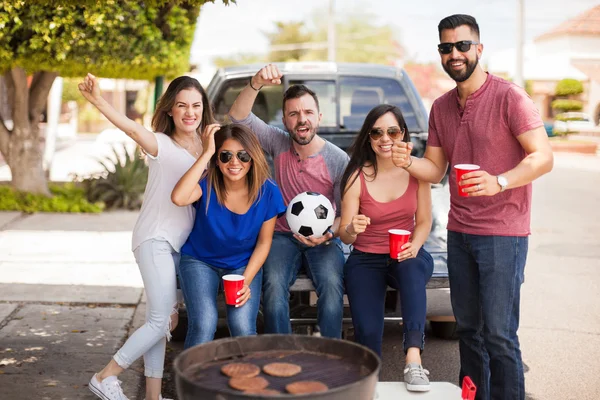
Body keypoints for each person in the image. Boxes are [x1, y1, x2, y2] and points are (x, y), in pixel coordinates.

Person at [391, 14, 554, 400]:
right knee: (468, 330)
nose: (455, 54)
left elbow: (543, 157)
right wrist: (405, 161)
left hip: (503, 234)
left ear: (478, 49)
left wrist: (499, 180)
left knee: (498, 334)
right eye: (446, 48)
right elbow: (434, 169)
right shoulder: (442, 107)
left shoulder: (509, 97)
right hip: (461, 233)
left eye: (462, 46)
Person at [79, 73, 218, 400]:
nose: (189, 112)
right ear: (170, 109)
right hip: (155, 238)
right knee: (158, 320)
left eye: (196, 105)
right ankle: (106, 375)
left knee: (164, 321)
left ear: (203, 109)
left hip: (179, 246)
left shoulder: (208, 145)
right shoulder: (162, 143)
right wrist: (98, 99)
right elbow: (130, 127)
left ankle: (152, 397)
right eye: (181, 105)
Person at [228, 64, 349, 339]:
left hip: (325, 240)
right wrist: (256, 82)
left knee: (332, 286)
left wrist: (328, 233)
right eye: (293, 114)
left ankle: (332, 353)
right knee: (272, 285)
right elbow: (237, 118)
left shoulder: (339, 160)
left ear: (319, 117)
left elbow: (346, 215)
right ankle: (281, 352)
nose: (301, 120)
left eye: (307, 113)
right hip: (282, 236)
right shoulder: (278, 142)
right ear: (284, 120)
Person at [339, 104, 434, 392]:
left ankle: (414, 361)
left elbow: (425, 221)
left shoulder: (417, 172)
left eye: (393, 131)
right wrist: (353, 229)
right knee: (368, 331)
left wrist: (414, 246)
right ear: (369, 138)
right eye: (377, 132)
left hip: (407, 253)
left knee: (411, 268)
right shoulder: (357, 176)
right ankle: (371, 383)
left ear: (403, 134)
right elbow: (345, 235)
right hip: (365, 258)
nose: (385, 138)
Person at [171, 123, 286, 348]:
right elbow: (178, 197)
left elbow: (264, 243)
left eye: (243, 155)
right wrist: (206, 152)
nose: (235, 162)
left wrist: (246, 281)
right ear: (217, 159)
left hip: (242, 265)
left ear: (253, 158)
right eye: (226, 155)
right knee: (204, 323)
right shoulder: (207, 184)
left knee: (243, 326)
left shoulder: (268, 191)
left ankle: (246, 381)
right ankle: (192, 381)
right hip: (200, 261)